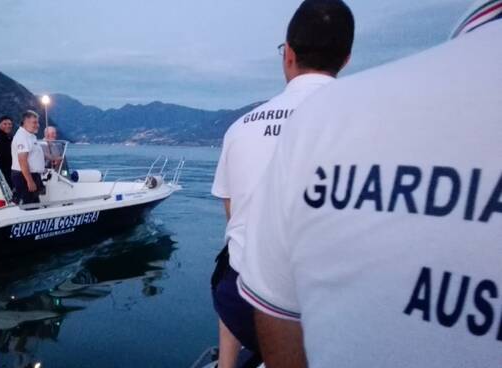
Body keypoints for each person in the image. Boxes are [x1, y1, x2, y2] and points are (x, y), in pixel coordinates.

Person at [237, 3, 502, 367]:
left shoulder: (315, 122)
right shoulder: (329, 118)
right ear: (346, 58)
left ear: (288, 54)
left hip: (248, 295)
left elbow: (272, 304)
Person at [209, 1, 354, 366]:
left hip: (242, 304)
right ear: (346, 58)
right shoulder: (367, 120)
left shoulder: (240, 127)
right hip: (329, 314)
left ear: (287, 55)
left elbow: (234, 215)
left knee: (237, 251)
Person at [11, 110, 46, 205]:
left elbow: (34, 154)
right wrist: (29, 181)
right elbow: (22, 160)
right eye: (34, 122)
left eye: (37, 122)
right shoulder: (22, 137)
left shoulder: (30, 135)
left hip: (31, 175)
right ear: (25, 122)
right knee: (28, 206)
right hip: (24, 177)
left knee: (34, 204)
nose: (37, 125)